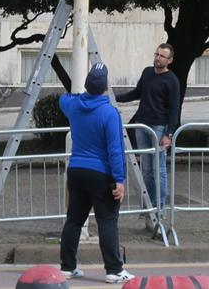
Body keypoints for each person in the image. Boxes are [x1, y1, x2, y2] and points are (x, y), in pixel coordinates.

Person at [59, 63, 134, 284]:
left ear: (87, 85)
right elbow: (115, 149)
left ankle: (67, 266)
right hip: (101, 174)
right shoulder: (109, 113)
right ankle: (114, 270)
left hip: (76, 170)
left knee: (74, 220)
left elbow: (63, 98)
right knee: (107, 221)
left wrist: (82, 95)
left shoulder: (73, 105)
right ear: (106, 87)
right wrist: (119, 180)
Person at [115, 43, 181, 216]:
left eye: (162, 56)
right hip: (142, 125)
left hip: (159, 128)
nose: (158, 58)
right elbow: (137, 93)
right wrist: (114, 98)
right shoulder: (147, 72)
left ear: (170, 60)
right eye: (157, 54)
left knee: (158, 169)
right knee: (146, 168)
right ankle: (147, 207)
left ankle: (159, 208)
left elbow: (174, 109)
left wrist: (168, 133)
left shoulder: (172, 80)